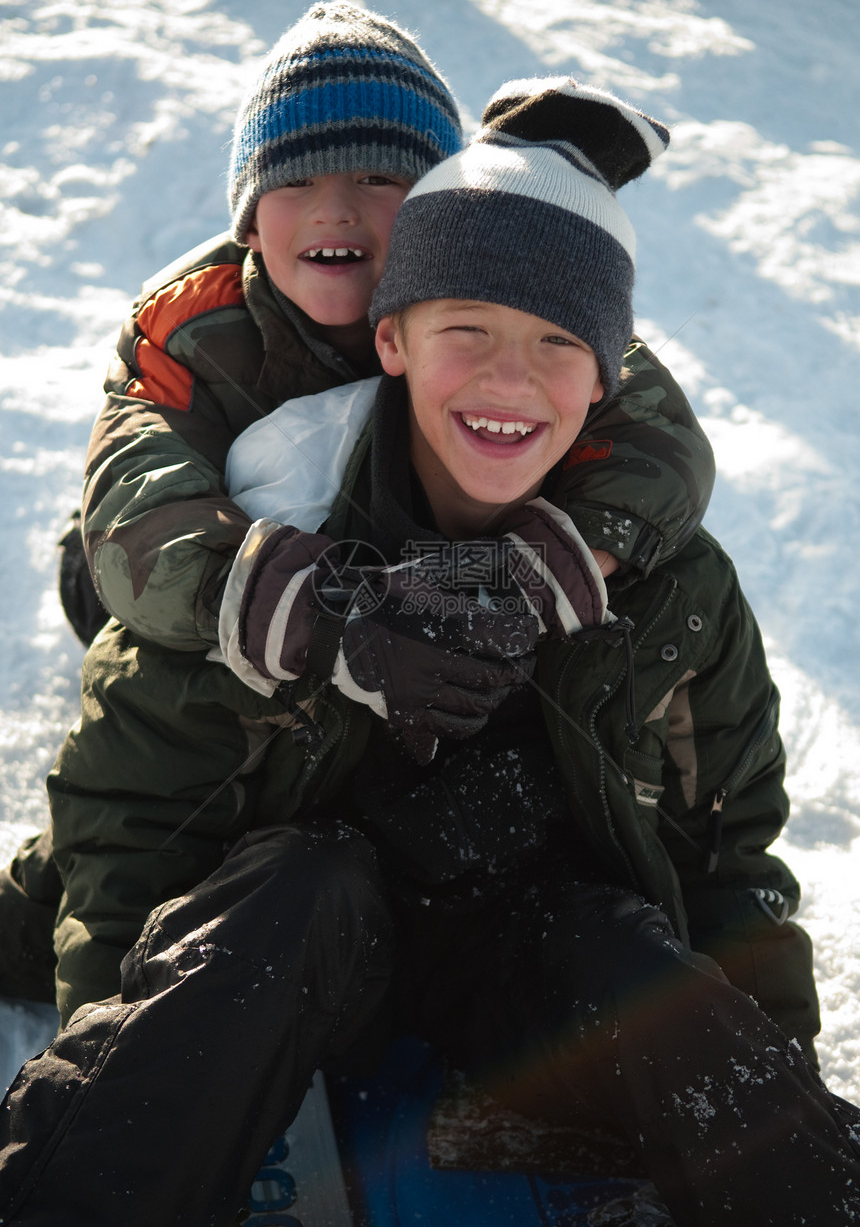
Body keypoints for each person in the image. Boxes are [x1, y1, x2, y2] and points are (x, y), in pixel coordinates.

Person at [1, 77, 857, 1227]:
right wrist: (135, 1052)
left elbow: (727, 857)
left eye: (558, 345)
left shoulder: (663, 583)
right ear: (390, 339)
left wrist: (762, 1086)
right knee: (294, 885)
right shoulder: (263, 530)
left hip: (522, 950)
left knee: (617, 949)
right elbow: (132, 807)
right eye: (467, 332)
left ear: (609, 376)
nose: (509, 380)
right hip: (314, 934)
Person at [0, 2, 715, 1022]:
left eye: (379, 179)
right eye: (294, 181)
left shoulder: (504, 294)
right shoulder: (190, 329)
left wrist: (554, 558)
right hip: (201, 579)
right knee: (152, 703)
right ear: (249, 216)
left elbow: (657, 437)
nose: (336, 209)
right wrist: (322, 607)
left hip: (405, 591)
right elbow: (135, 516)